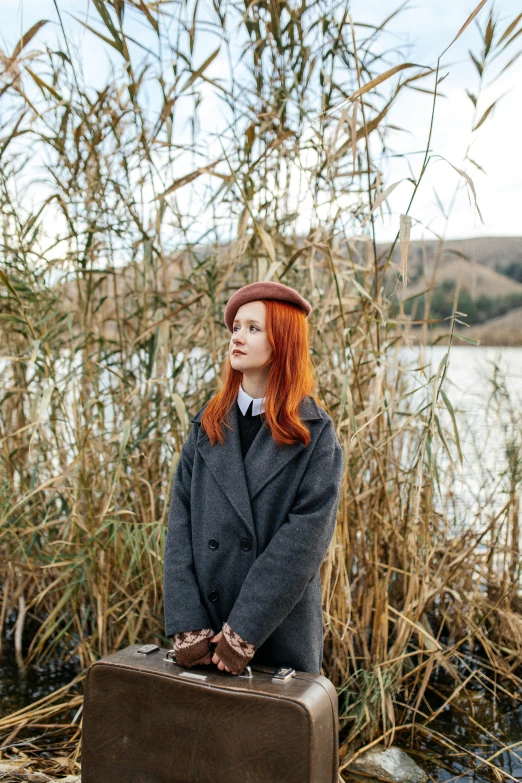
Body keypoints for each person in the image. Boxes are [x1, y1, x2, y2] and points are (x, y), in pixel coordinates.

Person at [163, 281, 344, 675]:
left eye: (253, 328)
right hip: (205, 632)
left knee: (273, 735)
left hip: (276, 633)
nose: (238, 338)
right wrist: (186, 623)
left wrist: (243, 632)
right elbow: (179, 523)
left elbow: (303, 543)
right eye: (236, 328)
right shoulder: (207, 424)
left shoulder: (314, 433)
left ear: (283, 341)